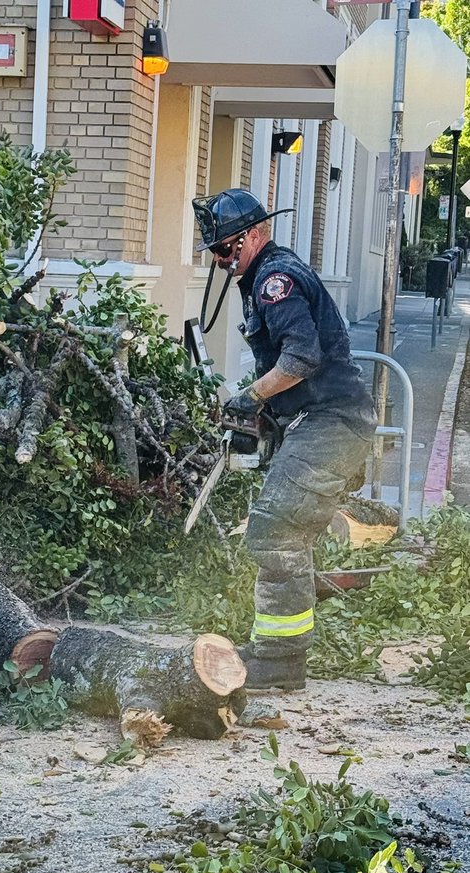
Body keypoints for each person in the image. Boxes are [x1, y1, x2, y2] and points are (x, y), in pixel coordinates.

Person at [191, 187, 377, 692]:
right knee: (288, 530)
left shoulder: (276, 281)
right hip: (323, 421)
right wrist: (268, 415)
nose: (219, 259)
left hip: (332, 423)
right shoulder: (263, 276)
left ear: (254, 234)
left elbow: (300, 358)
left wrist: (250, 397)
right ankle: (278, 649)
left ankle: (280, 660)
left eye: (225, 248)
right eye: (214, 251)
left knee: (276, 530)